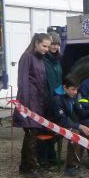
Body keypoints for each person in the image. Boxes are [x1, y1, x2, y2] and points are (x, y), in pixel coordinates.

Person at [15, 32, 51, 178]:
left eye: (48, 47)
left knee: (33, 135)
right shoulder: (27, 57)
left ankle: (26, 166)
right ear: (36, 43)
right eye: (44, 46)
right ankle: (30, 168)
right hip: (29, 103)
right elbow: (23, 82)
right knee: (31, 134)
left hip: (38, 102)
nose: (46, 49)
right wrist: (25, 105)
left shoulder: (40, 59)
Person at [48, 75, 89, 176]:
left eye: (77, 89)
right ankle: (70, 167)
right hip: (51, 128)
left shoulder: (72, 97)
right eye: (73, 89)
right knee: (75, 133)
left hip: (63, 125)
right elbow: (62, 121)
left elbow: (81, 113)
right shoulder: (56, 99)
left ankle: (78, 162)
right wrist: (79, 126)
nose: (75, 92)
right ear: (64, 88)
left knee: (86, 131)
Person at [39, 31, 63, 168]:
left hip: (56, 98)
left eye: (57, 44)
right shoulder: (43, 60)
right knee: (44, 130)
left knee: (53, 129)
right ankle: (43, 159)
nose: (54, 47)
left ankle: (52, 156)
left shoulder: (58, 60)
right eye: (52, 44)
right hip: (46, 99)